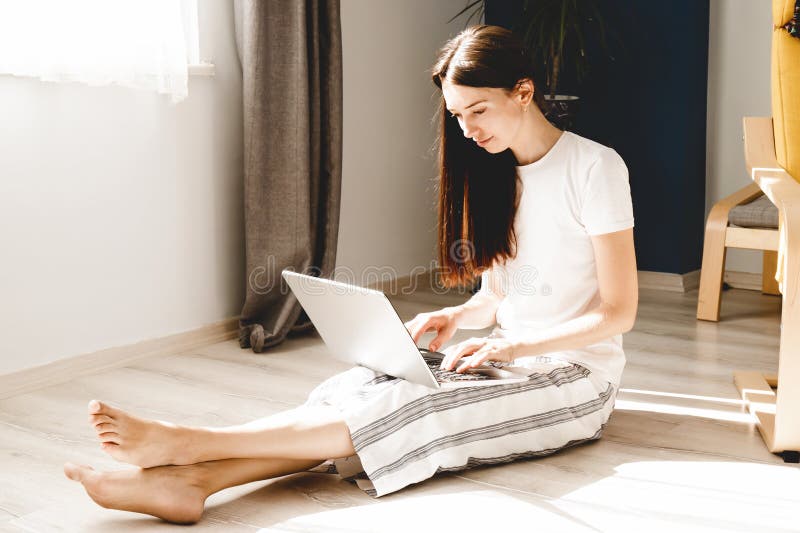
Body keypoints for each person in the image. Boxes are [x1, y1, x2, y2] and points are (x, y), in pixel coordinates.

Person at [62, 24, 637, 524]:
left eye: (478, 111)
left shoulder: (595, 168)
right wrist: (457, 314)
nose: (467, 131)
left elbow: (618, 312)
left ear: (524, 91)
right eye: (457, 116)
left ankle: (189, 446)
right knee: (361, 387)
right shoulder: (492, 173)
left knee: (413, 407)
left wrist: (512, 348)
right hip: (503, 355)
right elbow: (501, 293)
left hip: (577, 378)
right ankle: (193, 484)